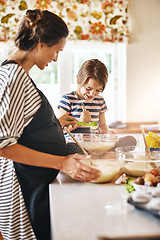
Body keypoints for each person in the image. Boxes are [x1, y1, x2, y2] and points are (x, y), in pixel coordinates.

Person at [0, 9, 101, 240]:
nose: (56, 58)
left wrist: (54, 124)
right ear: (40, 44)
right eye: (56, 51)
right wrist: (62, 163)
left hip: (34, 185)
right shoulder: (13, 77)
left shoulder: (17, 74)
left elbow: (22, 128)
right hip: (24, 191)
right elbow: (4, 145)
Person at [58, 59, 137, 154]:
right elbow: (61, 129)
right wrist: (79, 122)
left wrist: (108, 133)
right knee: (68, 147)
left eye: (98, 90)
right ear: (79, 79)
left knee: (131, 140)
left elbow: (102, 126)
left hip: (95, 144)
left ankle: (99, 154)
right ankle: (104, 155)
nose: (92, 93)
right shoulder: (67, 99)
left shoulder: (100, 101)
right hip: (76, 144)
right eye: (88, 88)